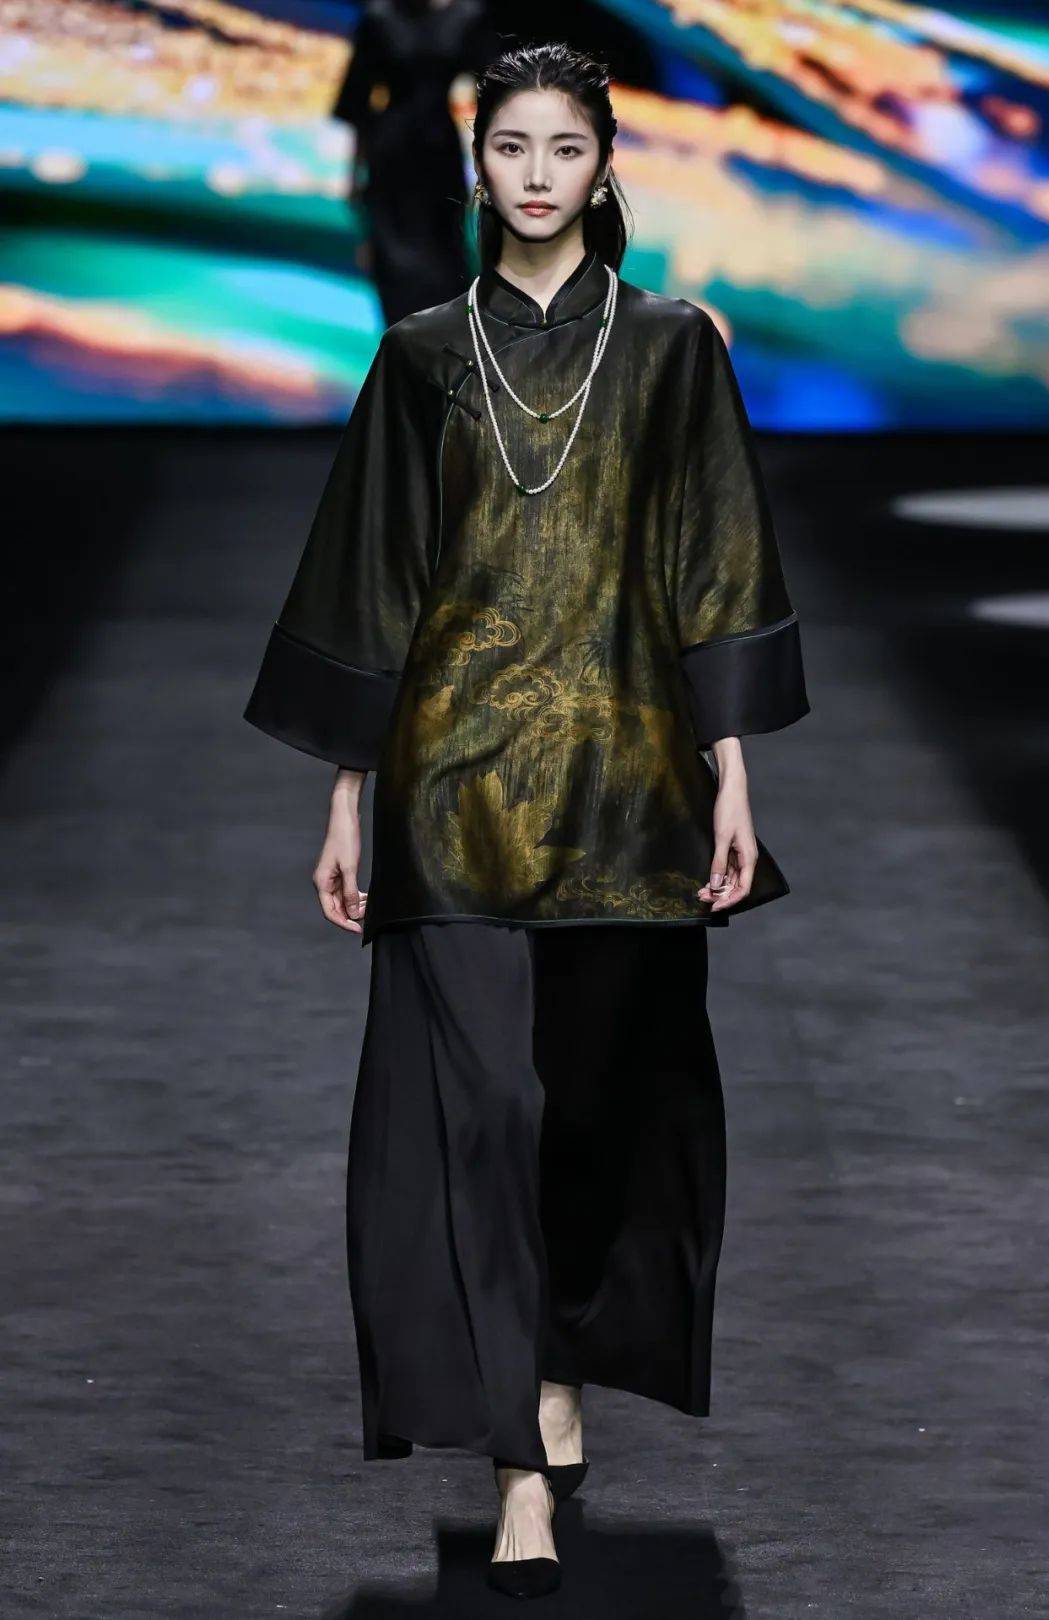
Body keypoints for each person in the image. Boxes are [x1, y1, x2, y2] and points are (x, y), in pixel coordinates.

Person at [244, 40, 810, 1601]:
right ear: (478, 166)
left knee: (593, 1116)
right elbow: (372, 577)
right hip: (454, 781)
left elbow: (714, 557)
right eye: (512, 147)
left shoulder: (675, 348)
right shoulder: (421, 357)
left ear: (605, 167)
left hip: (630, 784)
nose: (539, 173)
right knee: (483, 1116)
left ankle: (556, 1364)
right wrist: (347, 794)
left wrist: (734, 769)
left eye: (567, 148)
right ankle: (517, 1469)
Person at [332, 0, 501, 324]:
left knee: (446, 273)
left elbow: (496, 93)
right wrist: (354, 177)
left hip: (438, 162)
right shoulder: (380, 18)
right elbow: (358, 104)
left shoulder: (466, 17)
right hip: (390, 162)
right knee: (395, 277)